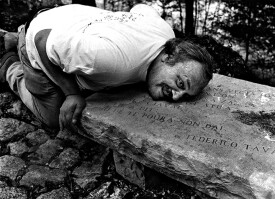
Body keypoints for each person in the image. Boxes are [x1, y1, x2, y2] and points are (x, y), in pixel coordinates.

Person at [0, 4, 214, 131]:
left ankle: (11, 37)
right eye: (179, 83)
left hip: (66, 18)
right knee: (53, 116)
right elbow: (43, 40)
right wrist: (71, 94)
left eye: (185, 95)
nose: (176, 97)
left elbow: (142, 8)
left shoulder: (166, 34)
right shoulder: (112, 61)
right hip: (40, 37)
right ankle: (11, 61)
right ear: (169, 58)